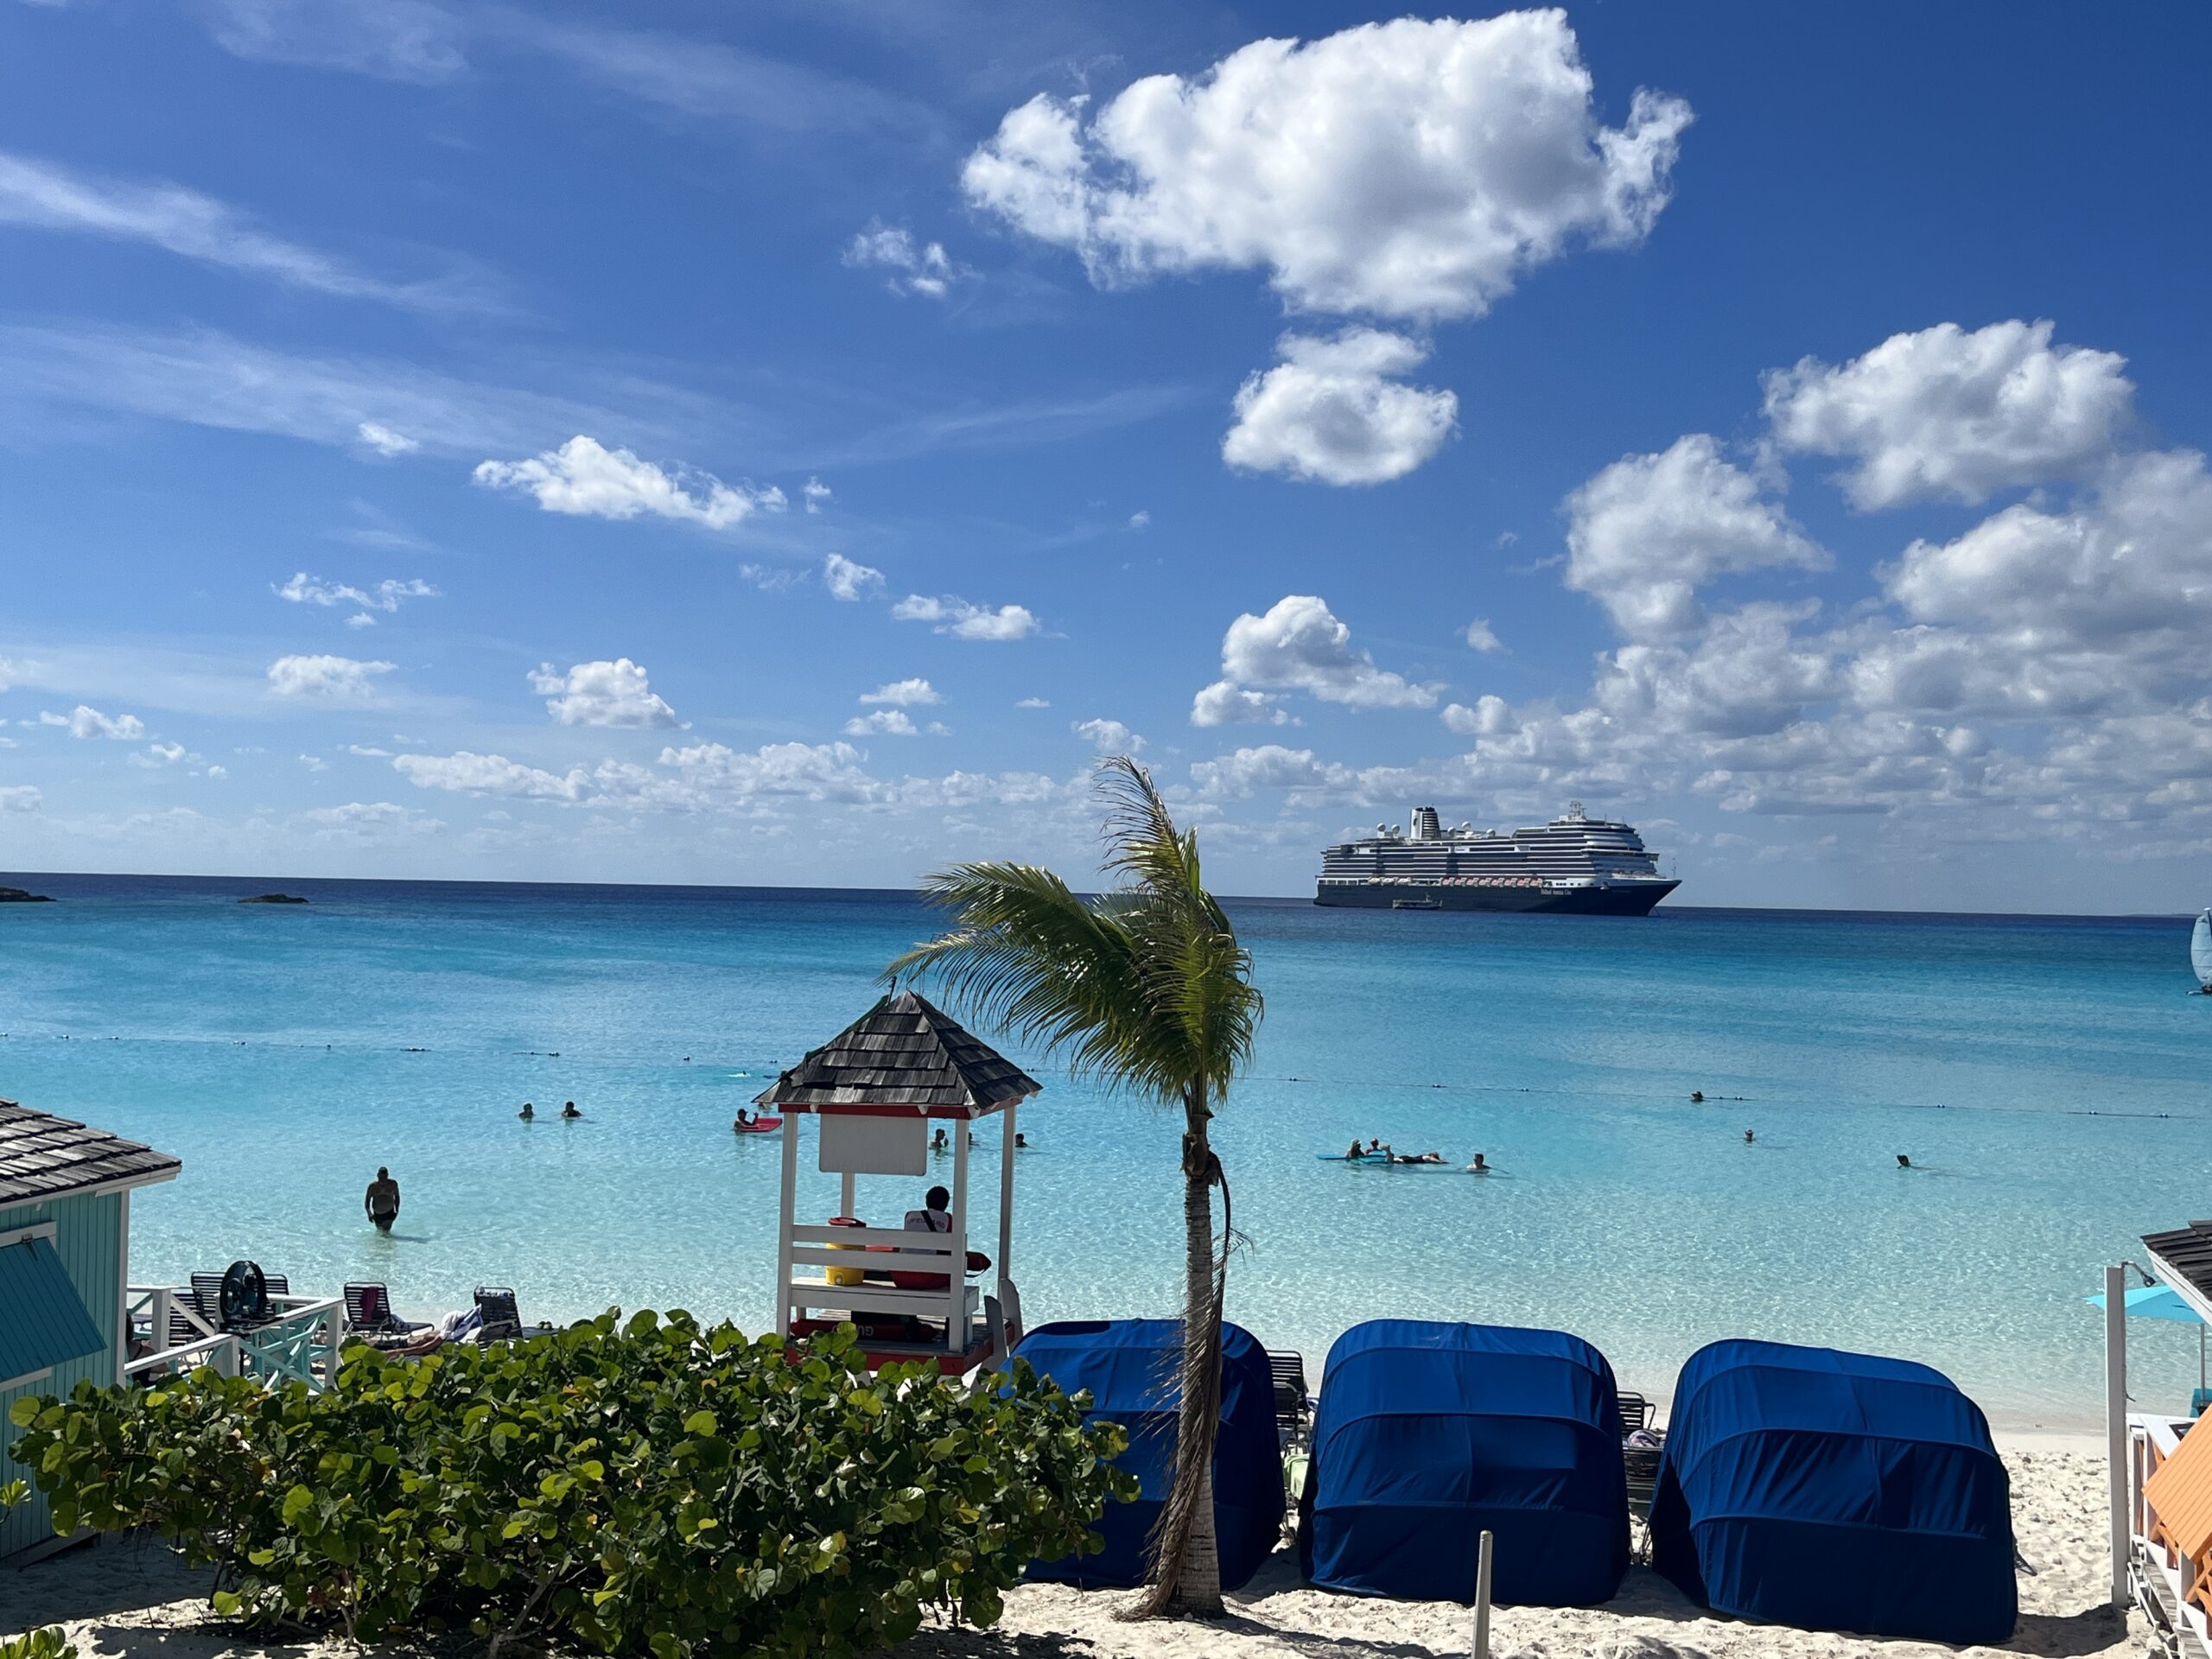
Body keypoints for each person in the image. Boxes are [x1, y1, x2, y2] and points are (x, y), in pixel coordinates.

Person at [365, 1166, 400, 1232]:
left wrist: (397, 1209)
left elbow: (397, 1196)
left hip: (389, 1212)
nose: (383, 1180)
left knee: (386, 1232)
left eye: (384, 1177)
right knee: (380, 1233)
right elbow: (367, 1201)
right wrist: (369, 1214)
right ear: (378, 1176)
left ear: (387, 1176)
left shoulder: (393, 1184)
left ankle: (389, 1242)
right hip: (377, 1214)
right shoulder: (372, 1186)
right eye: (381, 1177)